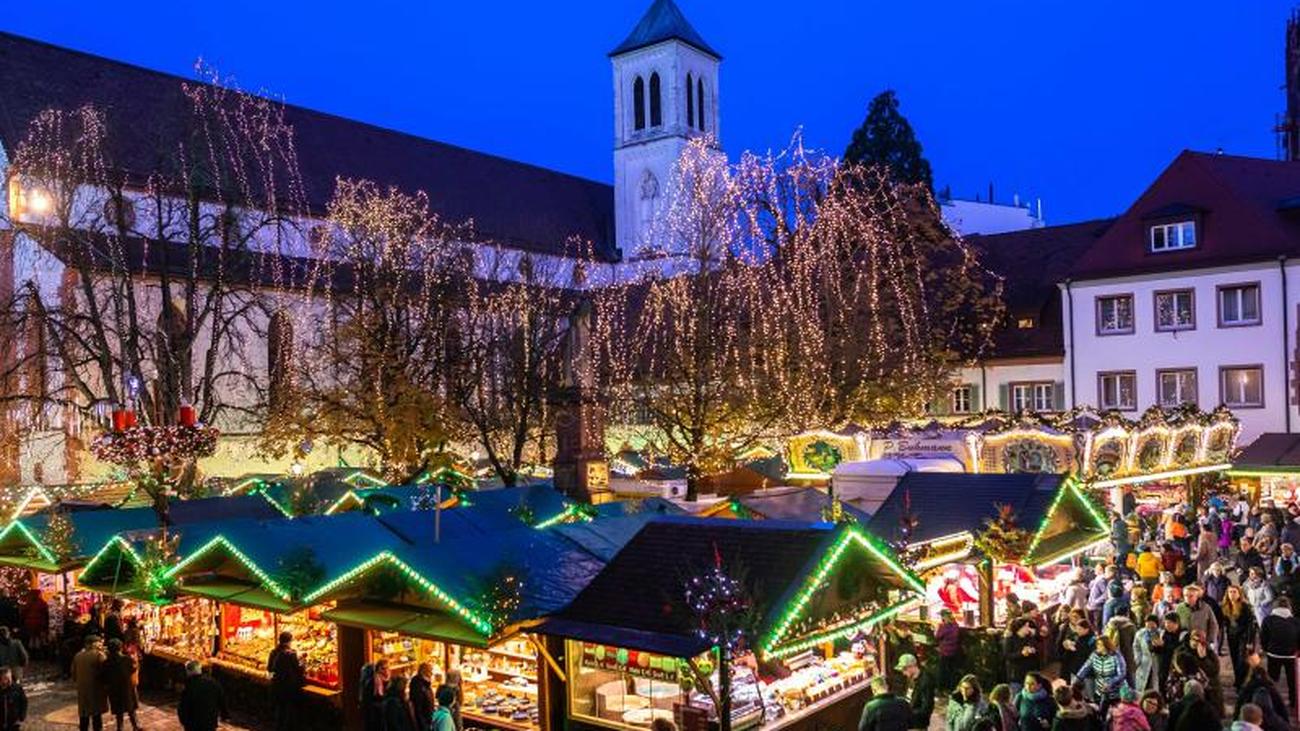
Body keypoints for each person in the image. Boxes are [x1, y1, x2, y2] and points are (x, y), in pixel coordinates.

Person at [1259, 596, 1299, 713]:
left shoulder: (1268, 620)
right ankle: (1293, 702)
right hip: (1291, 655)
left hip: (1274, 654)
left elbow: (1263, 637)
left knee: (1272, 680)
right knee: (1292, 681)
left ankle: (1273, 702)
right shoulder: (1296, 621)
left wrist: (1267, 649)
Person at [1075, 634, 1127, 716]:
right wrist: (1077, 679)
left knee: (1117, 714)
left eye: (1100, 645)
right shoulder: (1094, 655)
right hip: (1100, 690)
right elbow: (1085, 667)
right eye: (1097, 644)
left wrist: (1110, 683)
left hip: (1117, 693)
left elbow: (1122, 674)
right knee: (1100, 713)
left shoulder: (1116, 656)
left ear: (1106, 645)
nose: (1098, 647)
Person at [267, 631, 305, 731]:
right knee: (289, 710)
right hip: (289, 687)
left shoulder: (273, 652)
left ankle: (279, 727)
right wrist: (303, 663)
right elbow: (298, 669)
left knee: (280, 709)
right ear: (289, 641)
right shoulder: (291, 654)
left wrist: (272, 679)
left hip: (277, 685)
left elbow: (270, 669)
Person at [1222, 584, 1257, 688]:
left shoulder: (1245, 607)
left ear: (1239, 594)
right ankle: (1238, 680)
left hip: (1244, 637)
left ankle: (1243, 683)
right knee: (1234, 659)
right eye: (1230, 592)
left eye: (1234, 592)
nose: (1232, 594)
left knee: (1242, 660)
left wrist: (1250, 641)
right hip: (1232, 636)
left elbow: (1251, 625)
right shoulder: (1225, 606)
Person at [178, 661, 229, 731]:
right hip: (209, 722)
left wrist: (184, 721)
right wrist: (225, 715)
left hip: (193, 724)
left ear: (188, 671)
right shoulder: (213, 683)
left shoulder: (189, 686)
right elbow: (222, 700)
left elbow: (183, 706)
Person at [103, 639, 139, 731]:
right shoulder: (126, 659)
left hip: (114, 689)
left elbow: (104, 676)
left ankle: (120, 728)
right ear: (120, 648)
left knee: (119, 711)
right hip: (127, 687)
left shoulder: (106, 662)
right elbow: (133, 669)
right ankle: (135, 726)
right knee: (131, 709)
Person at [73, 635, 107, 731]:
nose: (101, 644)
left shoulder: (78, 656)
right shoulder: (99, 655)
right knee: (96, 716)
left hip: (82, 690)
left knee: (84, 716)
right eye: (99, 642)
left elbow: (74, 674)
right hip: (95, 689)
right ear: (94, 643)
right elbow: (105, 672)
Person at [893, 653, 935, 730]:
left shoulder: (925, 681)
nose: (903, 673)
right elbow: (908, 696)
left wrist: (907, 713)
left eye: (904, 669)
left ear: (912, 666)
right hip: (909, 720)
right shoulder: (910, 678)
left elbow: (926, 708)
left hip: (917, 724)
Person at [1005, 618, 1041, 685]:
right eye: (1026, 626)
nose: (1029, 628)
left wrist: (1033, 650)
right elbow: (1007, 655)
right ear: (1020, 628)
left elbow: (1036, 650)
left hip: (1029, 673)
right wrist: (1021, 653)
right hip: (1016, 674)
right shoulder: (1010, 639)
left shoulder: (1029, 637)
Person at [936, 610, 962, 692]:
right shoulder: (955, 625)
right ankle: (951, 688)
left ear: (944, 617)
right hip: (954, 651)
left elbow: (937, 636)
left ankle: (941, 689)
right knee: (952, 671)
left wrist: (937, 628)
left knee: (942, 671)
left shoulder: (944, 626)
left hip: (945, 652)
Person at [361, 659, 391, 731]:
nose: (386, 671)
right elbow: (369, 699)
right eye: (383, 668)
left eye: (387, 668)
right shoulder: (373, 682)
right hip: (375, 714)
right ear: (378, 670)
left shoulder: (388, 680)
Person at [1132, 615, 1159, 694]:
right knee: (1142, 685)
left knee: (1154, 684)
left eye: (1152, 623)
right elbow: (1136, 646)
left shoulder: (1160, 633)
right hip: (1144, 661)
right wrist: (1138, 658)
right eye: (1148, 622)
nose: (1150, 625)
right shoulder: (1140, 633)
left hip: (1156, 662)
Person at [410, 663, 435, 731]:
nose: (432, 673)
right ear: (423, 672)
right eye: (430, 671)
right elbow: (418, 708)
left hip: (427, 719)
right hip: (424, 723)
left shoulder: (425, 684)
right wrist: (424, 726)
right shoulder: (418, 685)